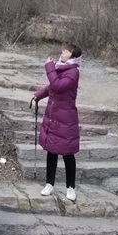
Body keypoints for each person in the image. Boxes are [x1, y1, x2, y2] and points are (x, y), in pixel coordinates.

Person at [32, 43, 82, 203]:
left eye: (66, 52)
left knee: (68, 154)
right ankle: (49, 184)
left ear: (73, 57)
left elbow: (58, 85)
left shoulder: (73, 72)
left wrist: (48, 66)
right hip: (53, 116)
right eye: (63, 51)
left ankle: (70, 187)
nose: (63, 53)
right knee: (51, 151)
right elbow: (50, 88)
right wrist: (37, 96)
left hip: (66, 118)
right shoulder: (60, 68)